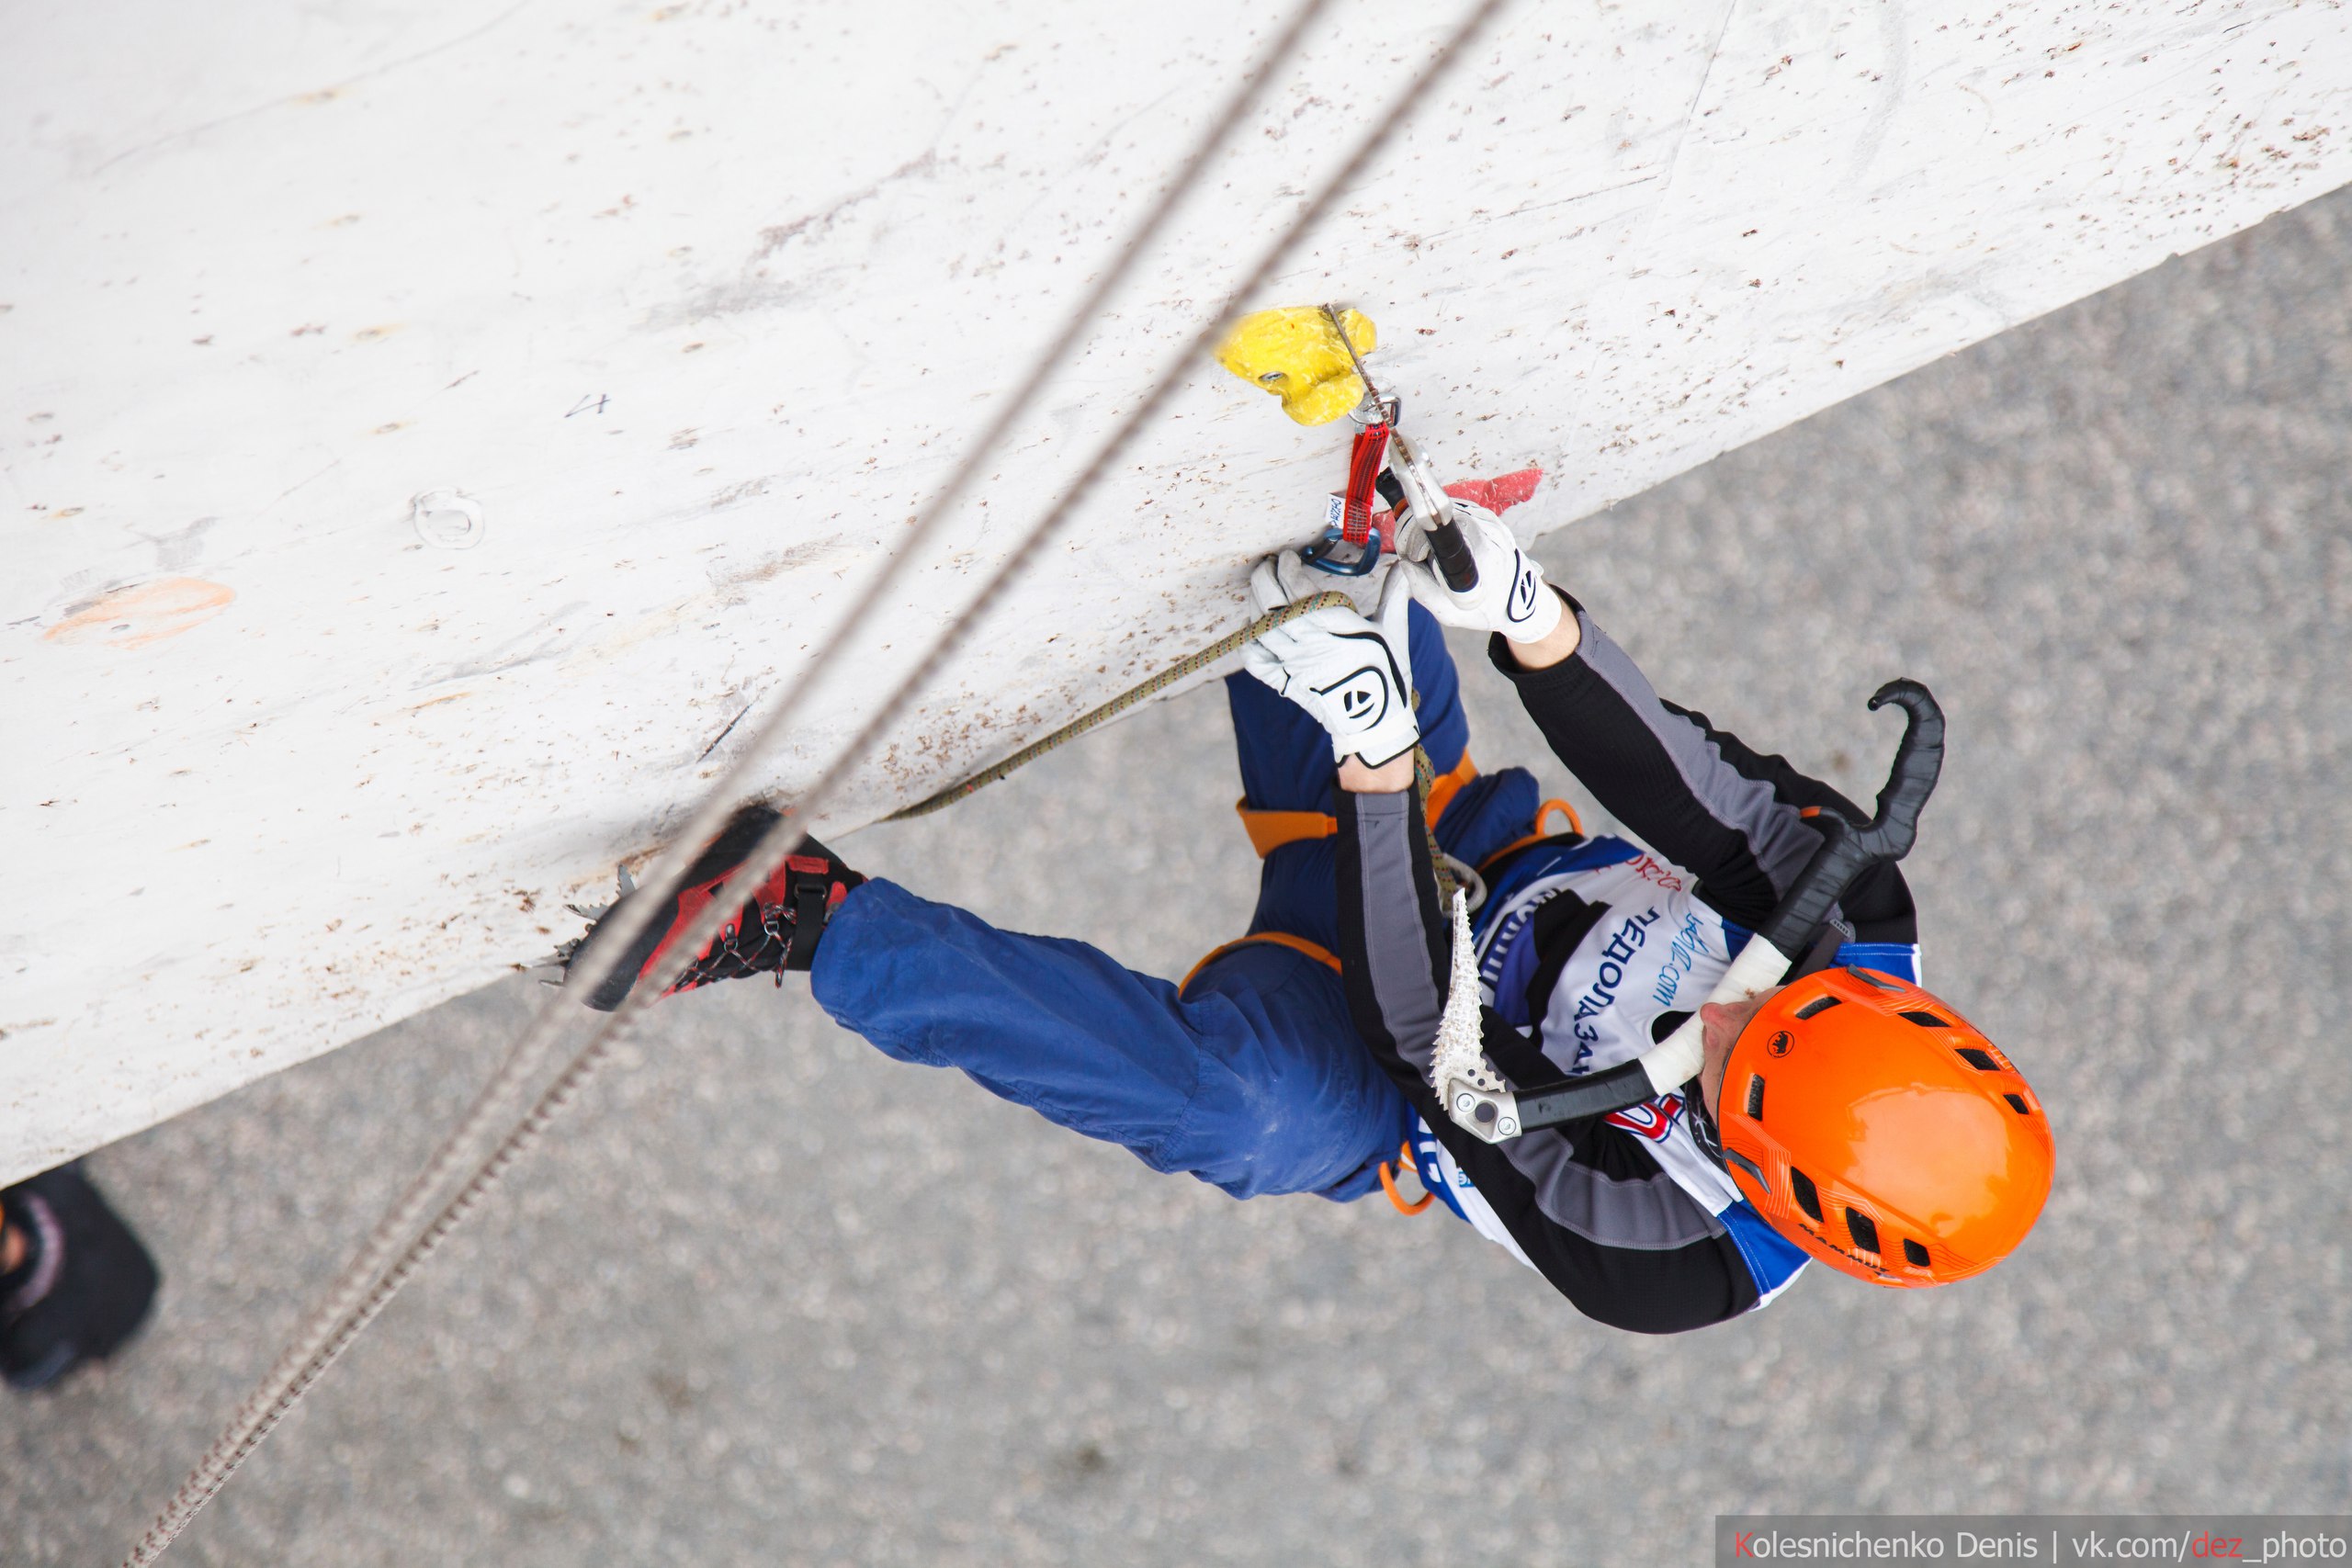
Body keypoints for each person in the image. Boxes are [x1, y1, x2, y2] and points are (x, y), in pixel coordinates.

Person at [565, 499, 2053, 1332]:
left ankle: (807, 913)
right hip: (1473, 847)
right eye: (1779, 996)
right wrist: (1533, 615)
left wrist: (1377, 762)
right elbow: (1678, 774)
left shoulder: (1671, 1254)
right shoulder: (1850, 907)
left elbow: (1423, 1036)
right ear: (1876, 1000)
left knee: (1230, 1114)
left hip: (1371, 1064)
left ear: (1762, 1166)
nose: (1723, 1002)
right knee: (1327, 540)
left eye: (1729, 1055)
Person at [0, 1162, 160, 1387]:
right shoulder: (46, 1177)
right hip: (137, 1268)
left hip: (121, 1314)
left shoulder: (31, 1340)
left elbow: (23, 1377)